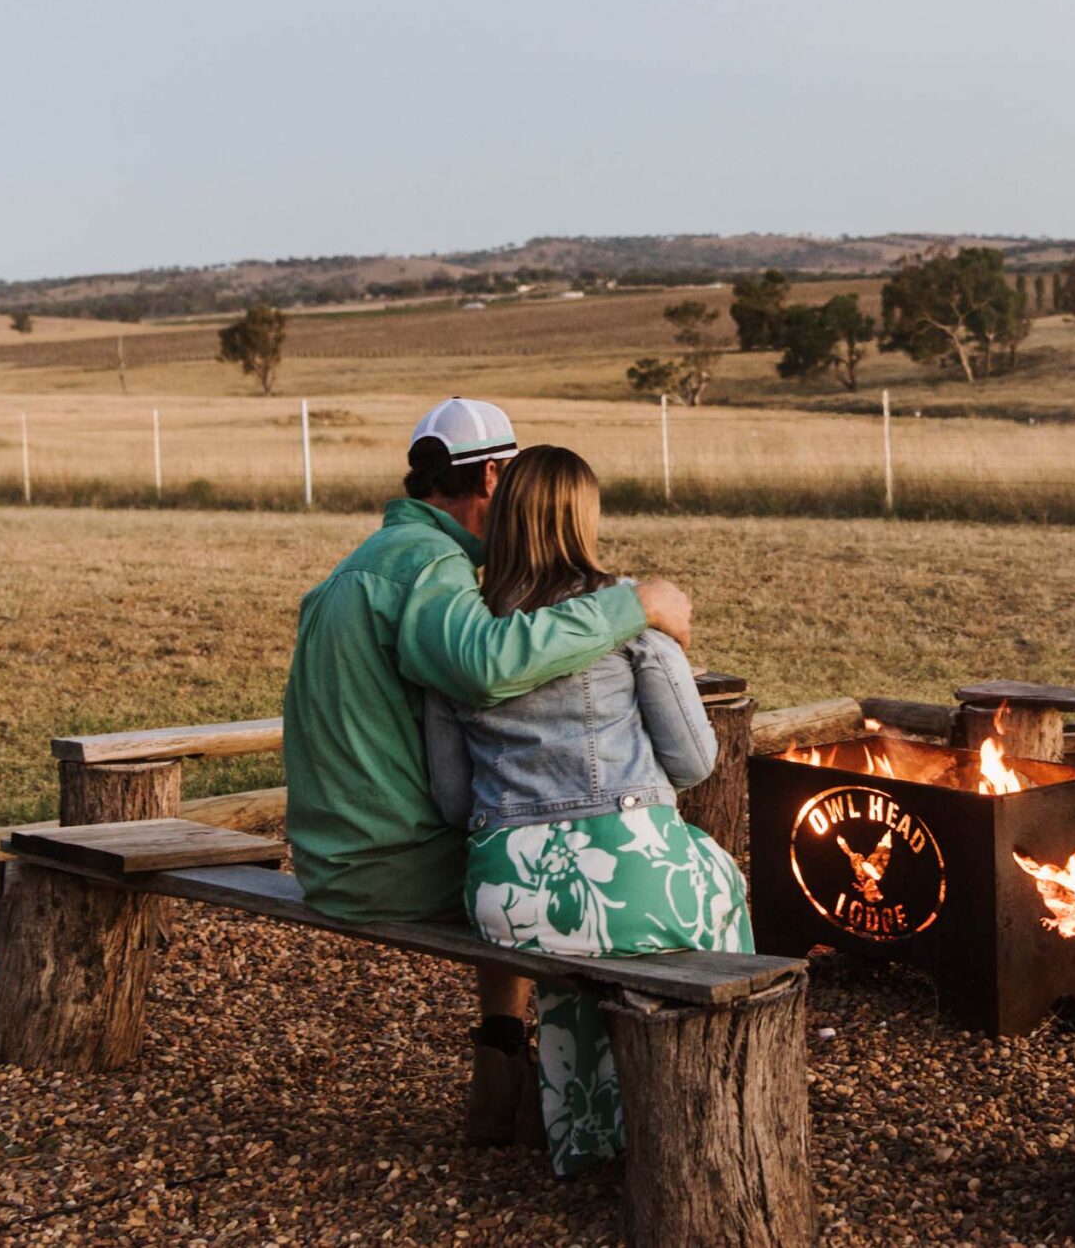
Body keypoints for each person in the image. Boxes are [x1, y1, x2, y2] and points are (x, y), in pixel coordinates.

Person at [280, 398, 692, 1144]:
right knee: (562, 858)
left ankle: (501, 1062)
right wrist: (630, 604)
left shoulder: (367, 561)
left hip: (333, 861)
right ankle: (624, 1110)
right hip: (394, 872)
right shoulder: (429, 566)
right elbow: (487, 665)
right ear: (497, 477)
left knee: (510, 832)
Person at [427, 445, 751, 1176]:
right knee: (718, 882)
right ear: (584, 520)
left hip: (507, 896)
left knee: (574, 940)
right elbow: (697, 762)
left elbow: (451, 801)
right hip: (628, 879)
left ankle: (589, 1135)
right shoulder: (627, 615)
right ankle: (707, 1112)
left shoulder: (465, 638)